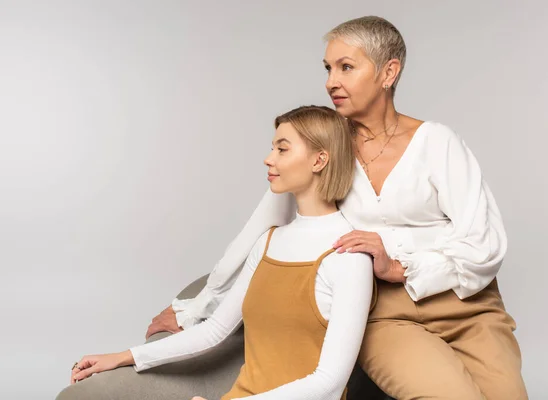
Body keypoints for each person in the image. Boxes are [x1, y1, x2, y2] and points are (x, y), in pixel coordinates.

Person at [160, 16, 529, 400]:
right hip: (385, 314)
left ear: (389, 72)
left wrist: (400, 265)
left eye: (346, 67)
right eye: (328, 69)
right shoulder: (325, 149)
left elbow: (483, 243)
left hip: (470, 307)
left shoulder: (438, 142)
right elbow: (260, 231)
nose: (330, 81)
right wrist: (197, 308)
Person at [62, 105, 375, 400]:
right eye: (272, 147)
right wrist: (123, 357)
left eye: (282, 148)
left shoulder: (350, 255)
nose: (268, 159)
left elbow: (330, 382)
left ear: (319, 160)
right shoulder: (269, 242)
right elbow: (214, 330)